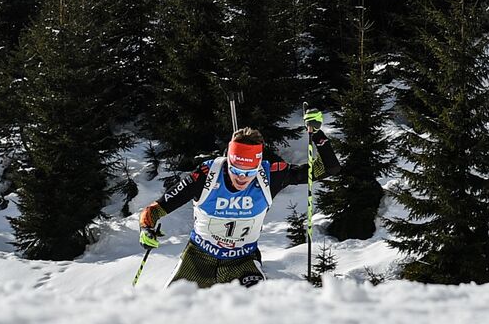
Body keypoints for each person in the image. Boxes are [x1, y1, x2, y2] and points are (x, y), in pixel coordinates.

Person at [137, 109, 339, 287]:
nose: (242, 178)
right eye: (236, 170)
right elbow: (155, 209)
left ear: (258, 165)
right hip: (197, 259)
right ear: (228, 161)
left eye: (250, 172)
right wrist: (146, 229)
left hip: (243, 261)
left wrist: (317, 134)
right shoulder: (206, 176)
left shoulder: (270, 175)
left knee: (253, 310)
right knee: (172, 310)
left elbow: (329, 168)